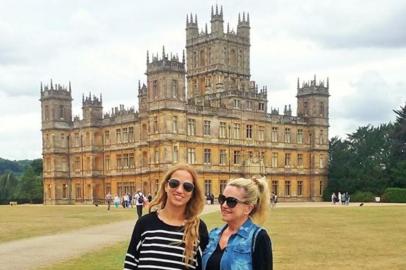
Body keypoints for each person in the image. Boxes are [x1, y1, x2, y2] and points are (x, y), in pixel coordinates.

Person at [124, 164, 208, 270]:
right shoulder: (144, 224)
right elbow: (130, 265)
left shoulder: (198, 229)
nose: (180, 190)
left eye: (187, 187)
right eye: (174, 183)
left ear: (192, 193)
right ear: (166, 186)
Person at [202, 176, 273, 270]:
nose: (224, 205)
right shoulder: (213, 235)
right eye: (222, 199)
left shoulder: (258, 238)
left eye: (231, 201)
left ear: (248, 208)